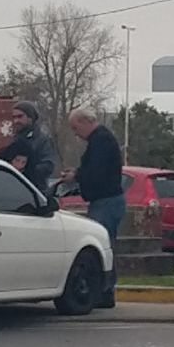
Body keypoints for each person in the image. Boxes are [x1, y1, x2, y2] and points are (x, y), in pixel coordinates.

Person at [60, 108, 125, 308]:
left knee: (102, 246)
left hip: (106, 201)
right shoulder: (101, 139)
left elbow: (97, 171)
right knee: (104, 244)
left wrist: (76, 176)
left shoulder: (101, 141)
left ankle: (105, 292)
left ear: (85, 121)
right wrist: (79, 173)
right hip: (106, 200)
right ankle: (104, 292)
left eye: (75, 127)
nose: (75, 133)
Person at [0, 101, 56, 193]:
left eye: (20, 116)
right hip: (12, 190)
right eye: (14, 117)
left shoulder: (43, 140)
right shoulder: (14, 139)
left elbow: (48, 166)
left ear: (30, 117)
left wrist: (26, 170)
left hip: (35, 192)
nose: (16, 121)